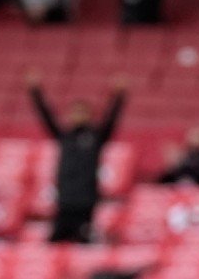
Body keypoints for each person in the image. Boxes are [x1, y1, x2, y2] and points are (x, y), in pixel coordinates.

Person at [26, 70, 127, 243]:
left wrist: (119, 97)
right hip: (64, 200)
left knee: (83, 242)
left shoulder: (95, 137)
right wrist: (35, 91)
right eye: (75, 111)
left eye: (82, 111)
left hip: (86, 201)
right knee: (54, 242)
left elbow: (111, 120)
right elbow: (47, 117)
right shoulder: (64, 137)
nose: (78, 115)